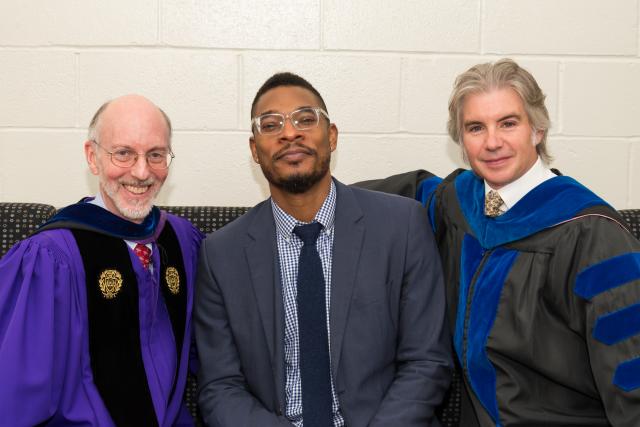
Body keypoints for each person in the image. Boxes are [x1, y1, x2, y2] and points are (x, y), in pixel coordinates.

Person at [359, 59, 640, 426]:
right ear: (461, 141)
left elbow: (632, 383)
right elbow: (377, 201)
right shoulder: (457, 202)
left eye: (508, 123)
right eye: (476, 128)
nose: (492, 142)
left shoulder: (594, 236)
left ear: (537, 130)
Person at [194, 72, 451, 427]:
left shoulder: (403, 225)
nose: (289, 132)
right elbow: (220, 388)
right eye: (270, 125)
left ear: (331, 137)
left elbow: (427, 362)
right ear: (255, 150)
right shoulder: (220, 253)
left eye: (305, 118)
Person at [0, 95, 203, 426]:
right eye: (123, 153)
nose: (141, 172)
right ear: (92, 157)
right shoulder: (49, 259)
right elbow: (15, 396)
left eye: (156, 155)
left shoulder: (182, 240)